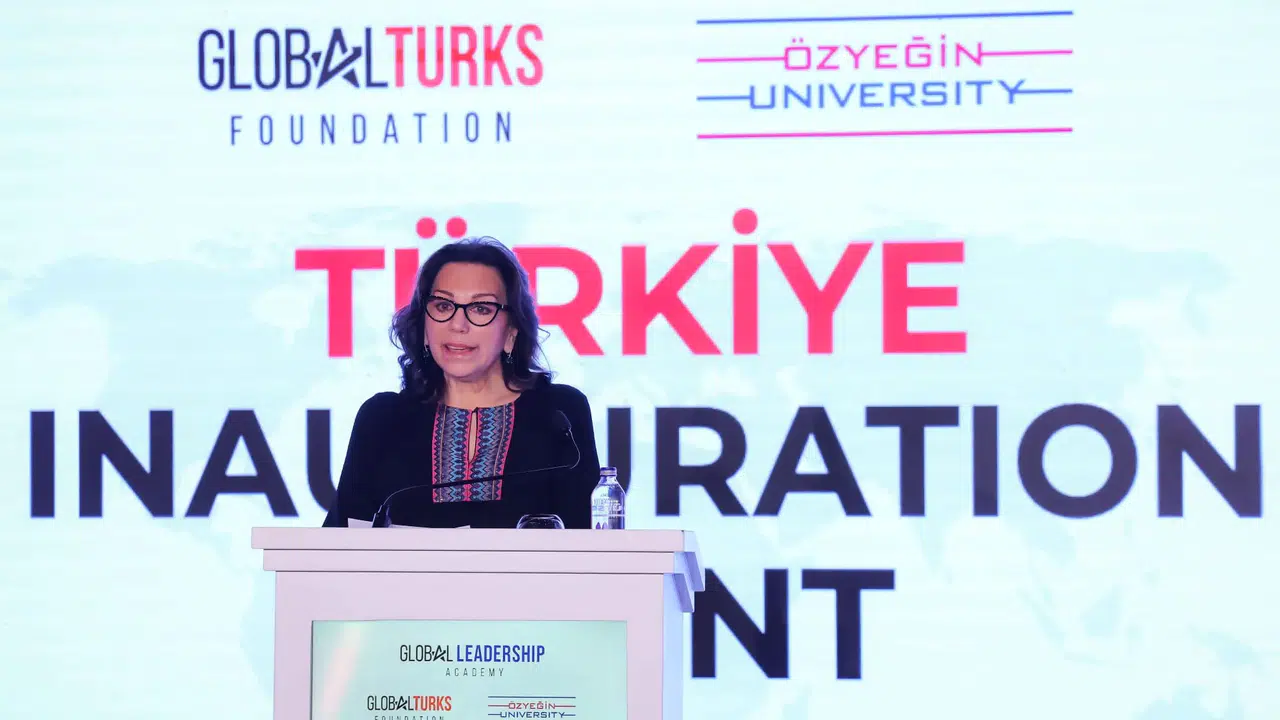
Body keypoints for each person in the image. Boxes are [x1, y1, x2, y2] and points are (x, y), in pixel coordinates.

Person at [322, 236, 601, 529]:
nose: (458, 324)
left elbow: (587, 542)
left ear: (512, 332)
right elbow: (338, 541)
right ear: (424, 325)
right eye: (443, 306)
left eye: (481, 308)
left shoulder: (558, 414)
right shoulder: (383, 418)